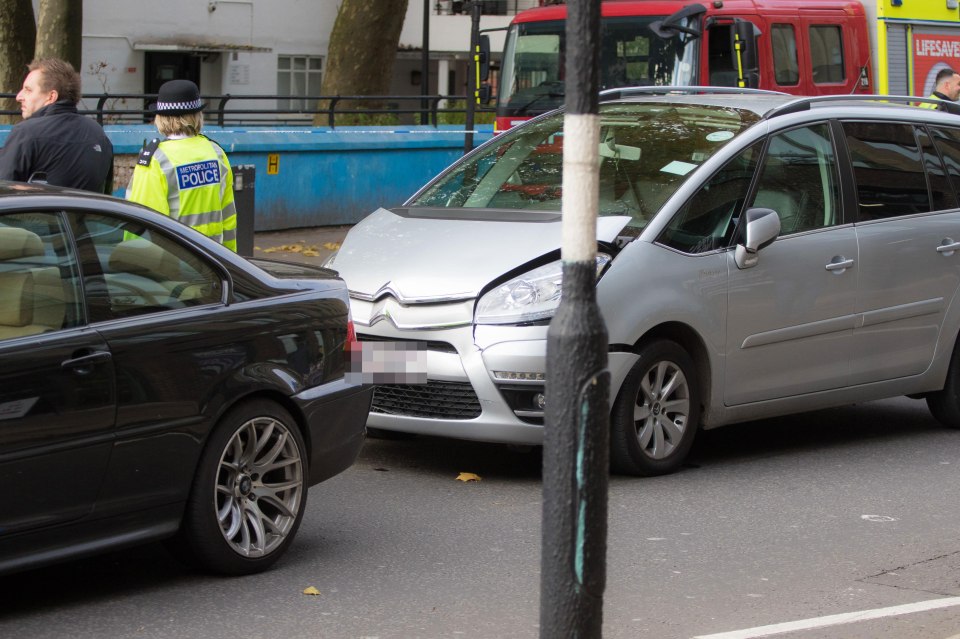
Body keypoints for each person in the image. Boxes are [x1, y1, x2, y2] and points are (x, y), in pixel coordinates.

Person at [126, 79, 238, 251]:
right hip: (215, 261)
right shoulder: (216, 153)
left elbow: (141, 224)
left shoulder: (155, 160)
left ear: (160, 118)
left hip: (175, 267)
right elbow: (229, 218)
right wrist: (231, 263)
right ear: (196, 116)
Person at [0, 58, 113, 193]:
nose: (19, 96)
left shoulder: (26, 132)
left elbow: (4, 191)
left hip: (41, 213)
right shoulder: (99, 134)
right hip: (88, 213)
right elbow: (106, 193)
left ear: (51, 96)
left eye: (28, 90)